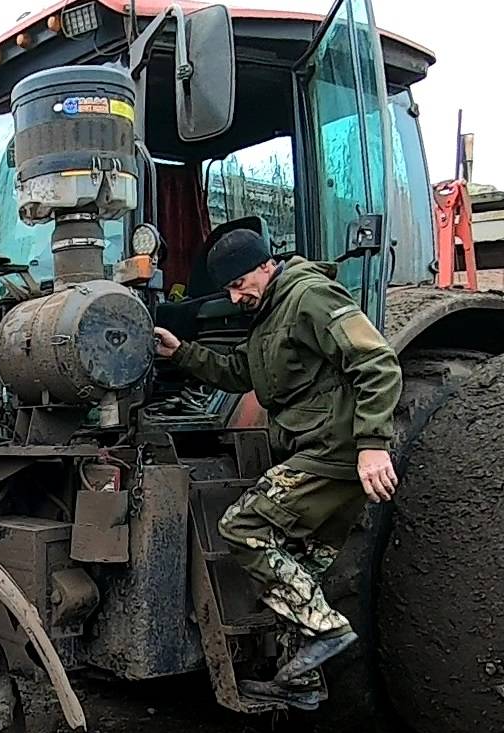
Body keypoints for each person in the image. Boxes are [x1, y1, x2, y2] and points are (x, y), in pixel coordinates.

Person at [152, 228, 403, 708]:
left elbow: (377, 362)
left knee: (243, 527)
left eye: (240, 283)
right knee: (298, 565)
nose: (235, 296)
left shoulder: (310, 296)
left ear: (267, 265)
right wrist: (181, 352)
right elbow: (240, 373)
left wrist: (372, 445)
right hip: (314, 448)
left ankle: (327, 630)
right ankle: (301, 680)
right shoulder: (269, 313)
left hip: (333, 451)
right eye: (228, 289)